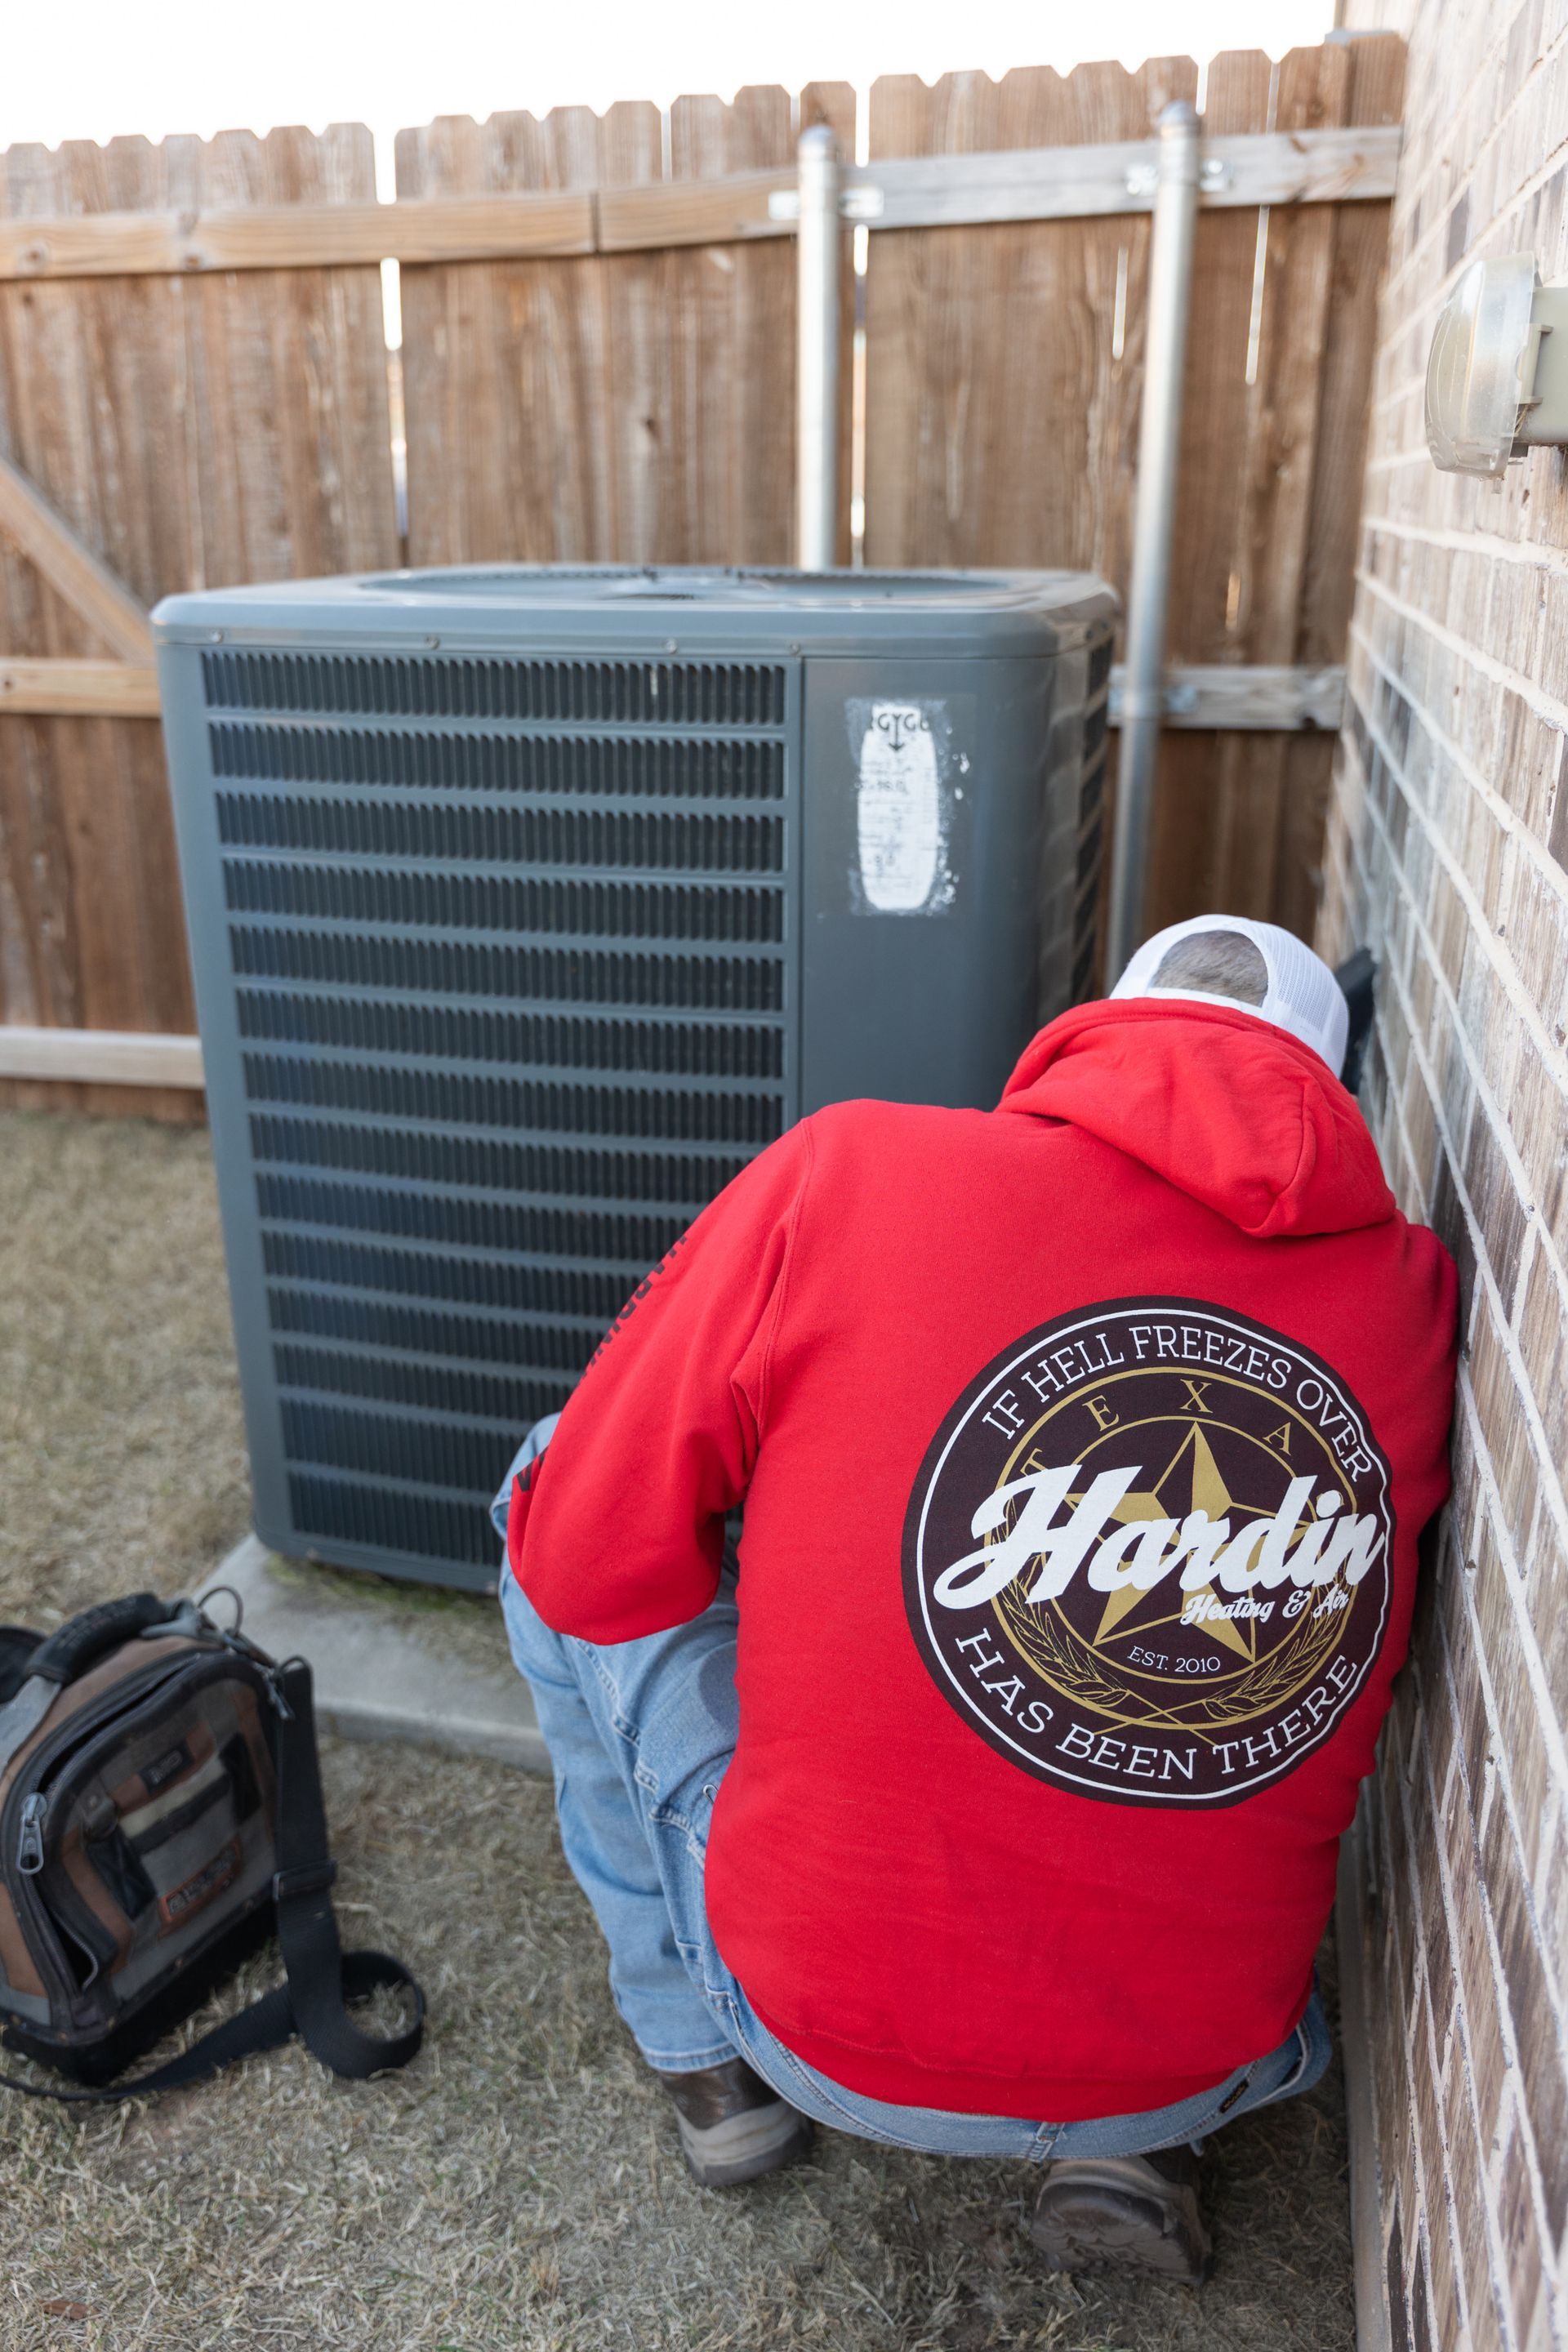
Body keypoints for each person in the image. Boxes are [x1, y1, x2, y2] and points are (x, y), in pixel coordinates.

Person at [492, 915, 1456, 2285]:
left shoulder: (855, 1167)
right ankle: (1131, 2147)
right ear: (1330, 1089)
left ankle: (708, 2063)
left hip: (832, 2035)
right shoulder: (1411, 1296)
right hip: (1212, 2058)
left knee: (548, 1482)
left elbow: (587, 1561)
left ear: (1097, 1031)